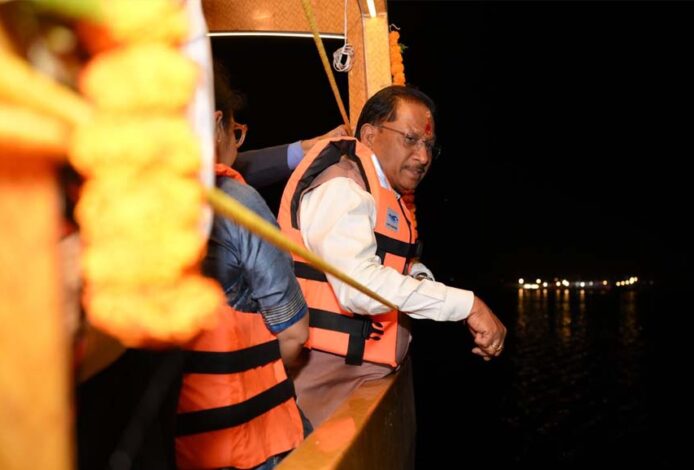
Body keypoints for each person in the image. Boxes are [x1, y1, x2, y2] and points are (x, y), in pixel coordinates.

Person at [266, 85, 508, 426]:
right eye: (410, 139)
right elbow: (359, 287)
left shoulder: (381, 191)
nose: (423, 157)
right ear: (369, 135)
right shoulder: (342, 188)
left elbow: (390, 263)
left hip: (357, 375)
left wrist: (418, 274)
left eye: (429, 145)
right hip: (323, 380)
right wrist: (468, 305)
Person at [173, 65, 310, 470]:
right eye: (236, 132)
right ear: (216, 125)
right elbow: (294, 333)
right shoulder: (238, 202)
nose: (237, 143)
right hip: (247, 441)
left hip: (179, 441)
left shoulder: (131, 201)